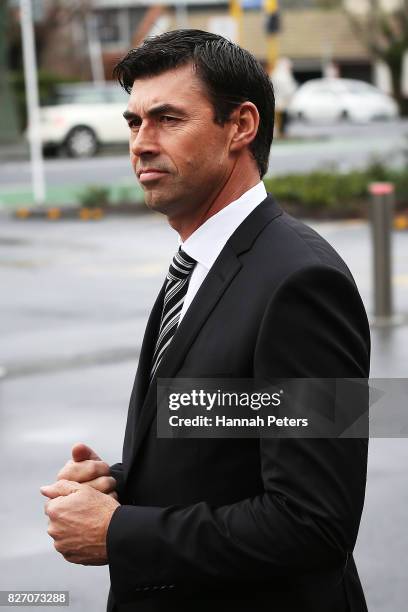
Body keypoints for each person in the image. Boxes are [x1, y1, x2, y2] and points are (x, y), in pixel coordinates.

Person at [41, 30, 370, 612]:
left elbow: (315, 521)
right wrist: (120, 483)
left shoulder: (301, 282)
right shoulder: (200, 263)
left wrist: (118, 532)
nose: (141, 143)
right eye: (133, 122)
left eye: (166, 119)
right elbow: (238, 438)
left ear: (240, 126)